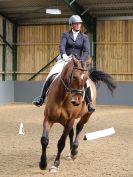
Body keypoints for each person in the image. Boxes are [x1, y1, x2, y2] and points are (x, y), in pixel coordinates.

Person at [33, 15, 95, 113]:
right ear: (71, 25)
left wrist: (81, 60)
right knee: (51, 74)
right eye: (76, 24)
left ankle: (89, 102)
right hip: (65, 59)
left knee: (84, 80)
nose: (78, 25)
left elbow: (86, 51)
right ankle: (41, 98)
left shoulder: (84, 37)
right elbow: (62, 46)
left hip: (78, 61)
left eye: (79, 24)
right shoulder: (65, 34)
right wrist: (64, 55)